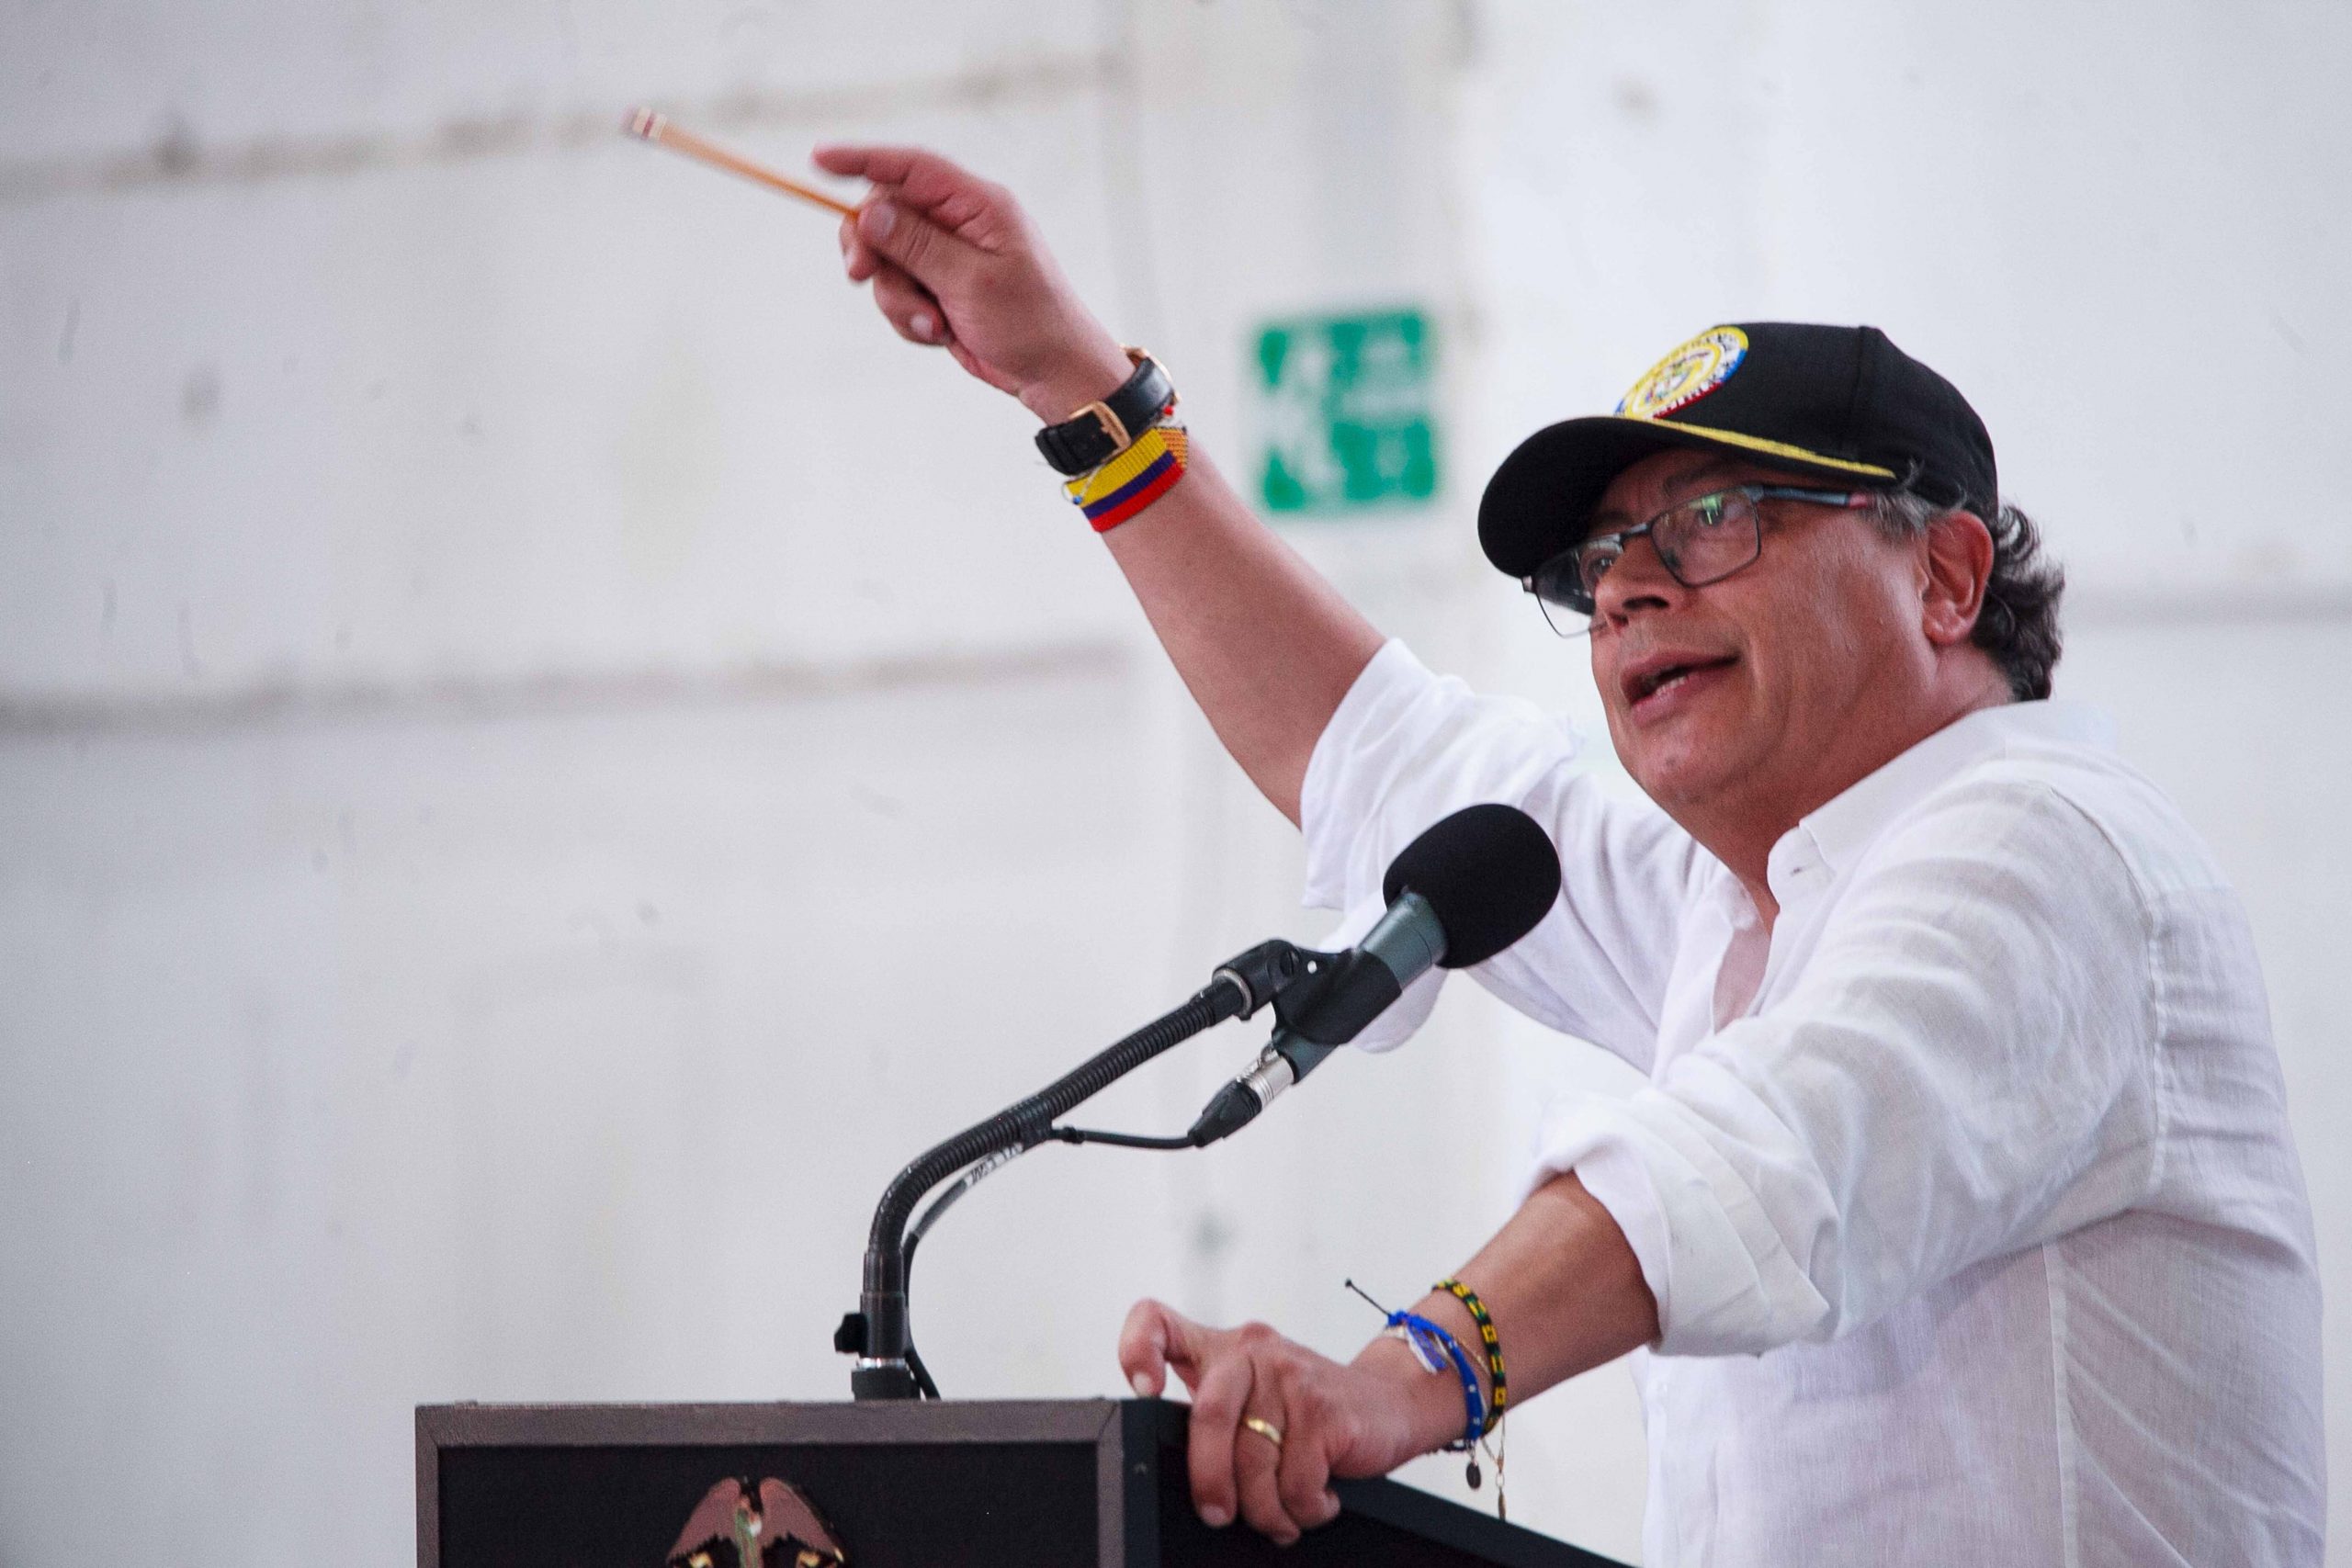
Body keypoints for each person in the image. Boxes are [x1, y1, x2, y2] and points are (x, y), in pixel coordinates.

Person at [814, 144, 2325, 1564]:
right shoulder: (1741, 905)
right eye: (1599, 561)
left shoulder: (2051, 853)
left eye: (1712, 518)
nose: (1626, 594)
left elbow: (1754, 1156)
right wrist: (1079, 391)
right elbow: (1374, 750)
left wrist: (1396, 1381)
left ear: (1943, 574)